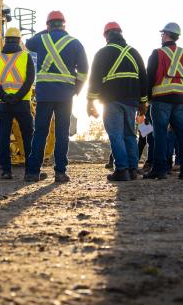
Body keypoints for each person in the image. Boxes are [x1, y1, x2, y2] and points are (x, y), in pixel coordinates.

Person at [25, 11, 88, 183]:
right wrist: (77, 89)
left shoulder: (41, 39)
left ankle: (32, 172)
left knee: (40, 133)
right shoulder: (75, 43)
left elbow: (28, 43)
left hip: (45, 95)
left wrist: (44, 32)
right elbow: (83, 71)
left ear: (48, 25)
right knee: (62, 134)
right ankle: (60, 172)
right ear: (64, 24)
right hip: (65, 96)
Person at [87, 22, 147, 182]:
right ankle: (133, 169)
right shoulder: (134, 52)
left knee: (116, 134)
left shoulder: (102, 53)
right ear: (120, 33)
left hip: (111, 99)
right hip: (131, 101)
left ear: (106, 36)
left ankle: (121, 170)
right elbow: (143, 77)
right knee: (129, 134)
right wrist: (143, 102)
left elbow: (94, 79)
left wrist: (90, 101)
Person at [0, 27, 35, 180]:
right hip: (22, 103)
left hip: (4, 104)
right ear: (19, 40)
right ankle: (30, 170)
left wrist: (4, 96)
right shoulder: (26, 57)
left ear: (5, 40)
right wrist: (18, 96)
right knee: (28, 136)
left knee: (3, 136)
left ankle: (6, 171)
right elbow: (29, 80)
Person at [144, 22, 183, 180]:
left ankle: (159, 169)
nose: (161, 36)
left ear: (166, 35)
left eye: (162, 34)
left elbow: (150, 78)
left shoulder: (157, 53)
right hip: (181, 100)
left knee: (159, 135)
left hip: (161, 100)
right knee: (181, 135)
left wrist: (145, 100)